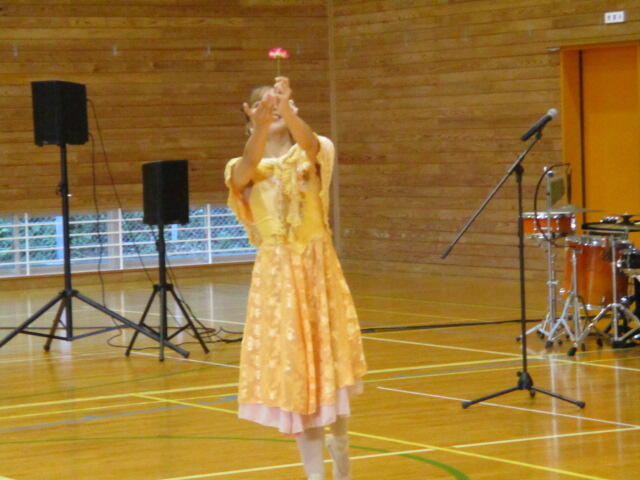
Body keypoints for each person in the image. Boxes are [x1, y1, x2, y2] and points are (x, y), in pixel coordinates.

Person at [224, 77, 367, 480]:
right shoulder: (241, 166)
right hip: (278, 279)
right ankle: (315, 474)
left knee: (328, 365)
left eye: (284, 105)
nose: (275, 110)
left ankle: (341, 451)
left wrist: (284, 110)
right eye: (264, 105)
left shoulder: (315, 151)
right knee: (298, 378)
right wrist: (261, 126)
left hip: (318, 271)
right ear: (250, 117)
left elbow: (310, 145)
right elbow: (244, 171)